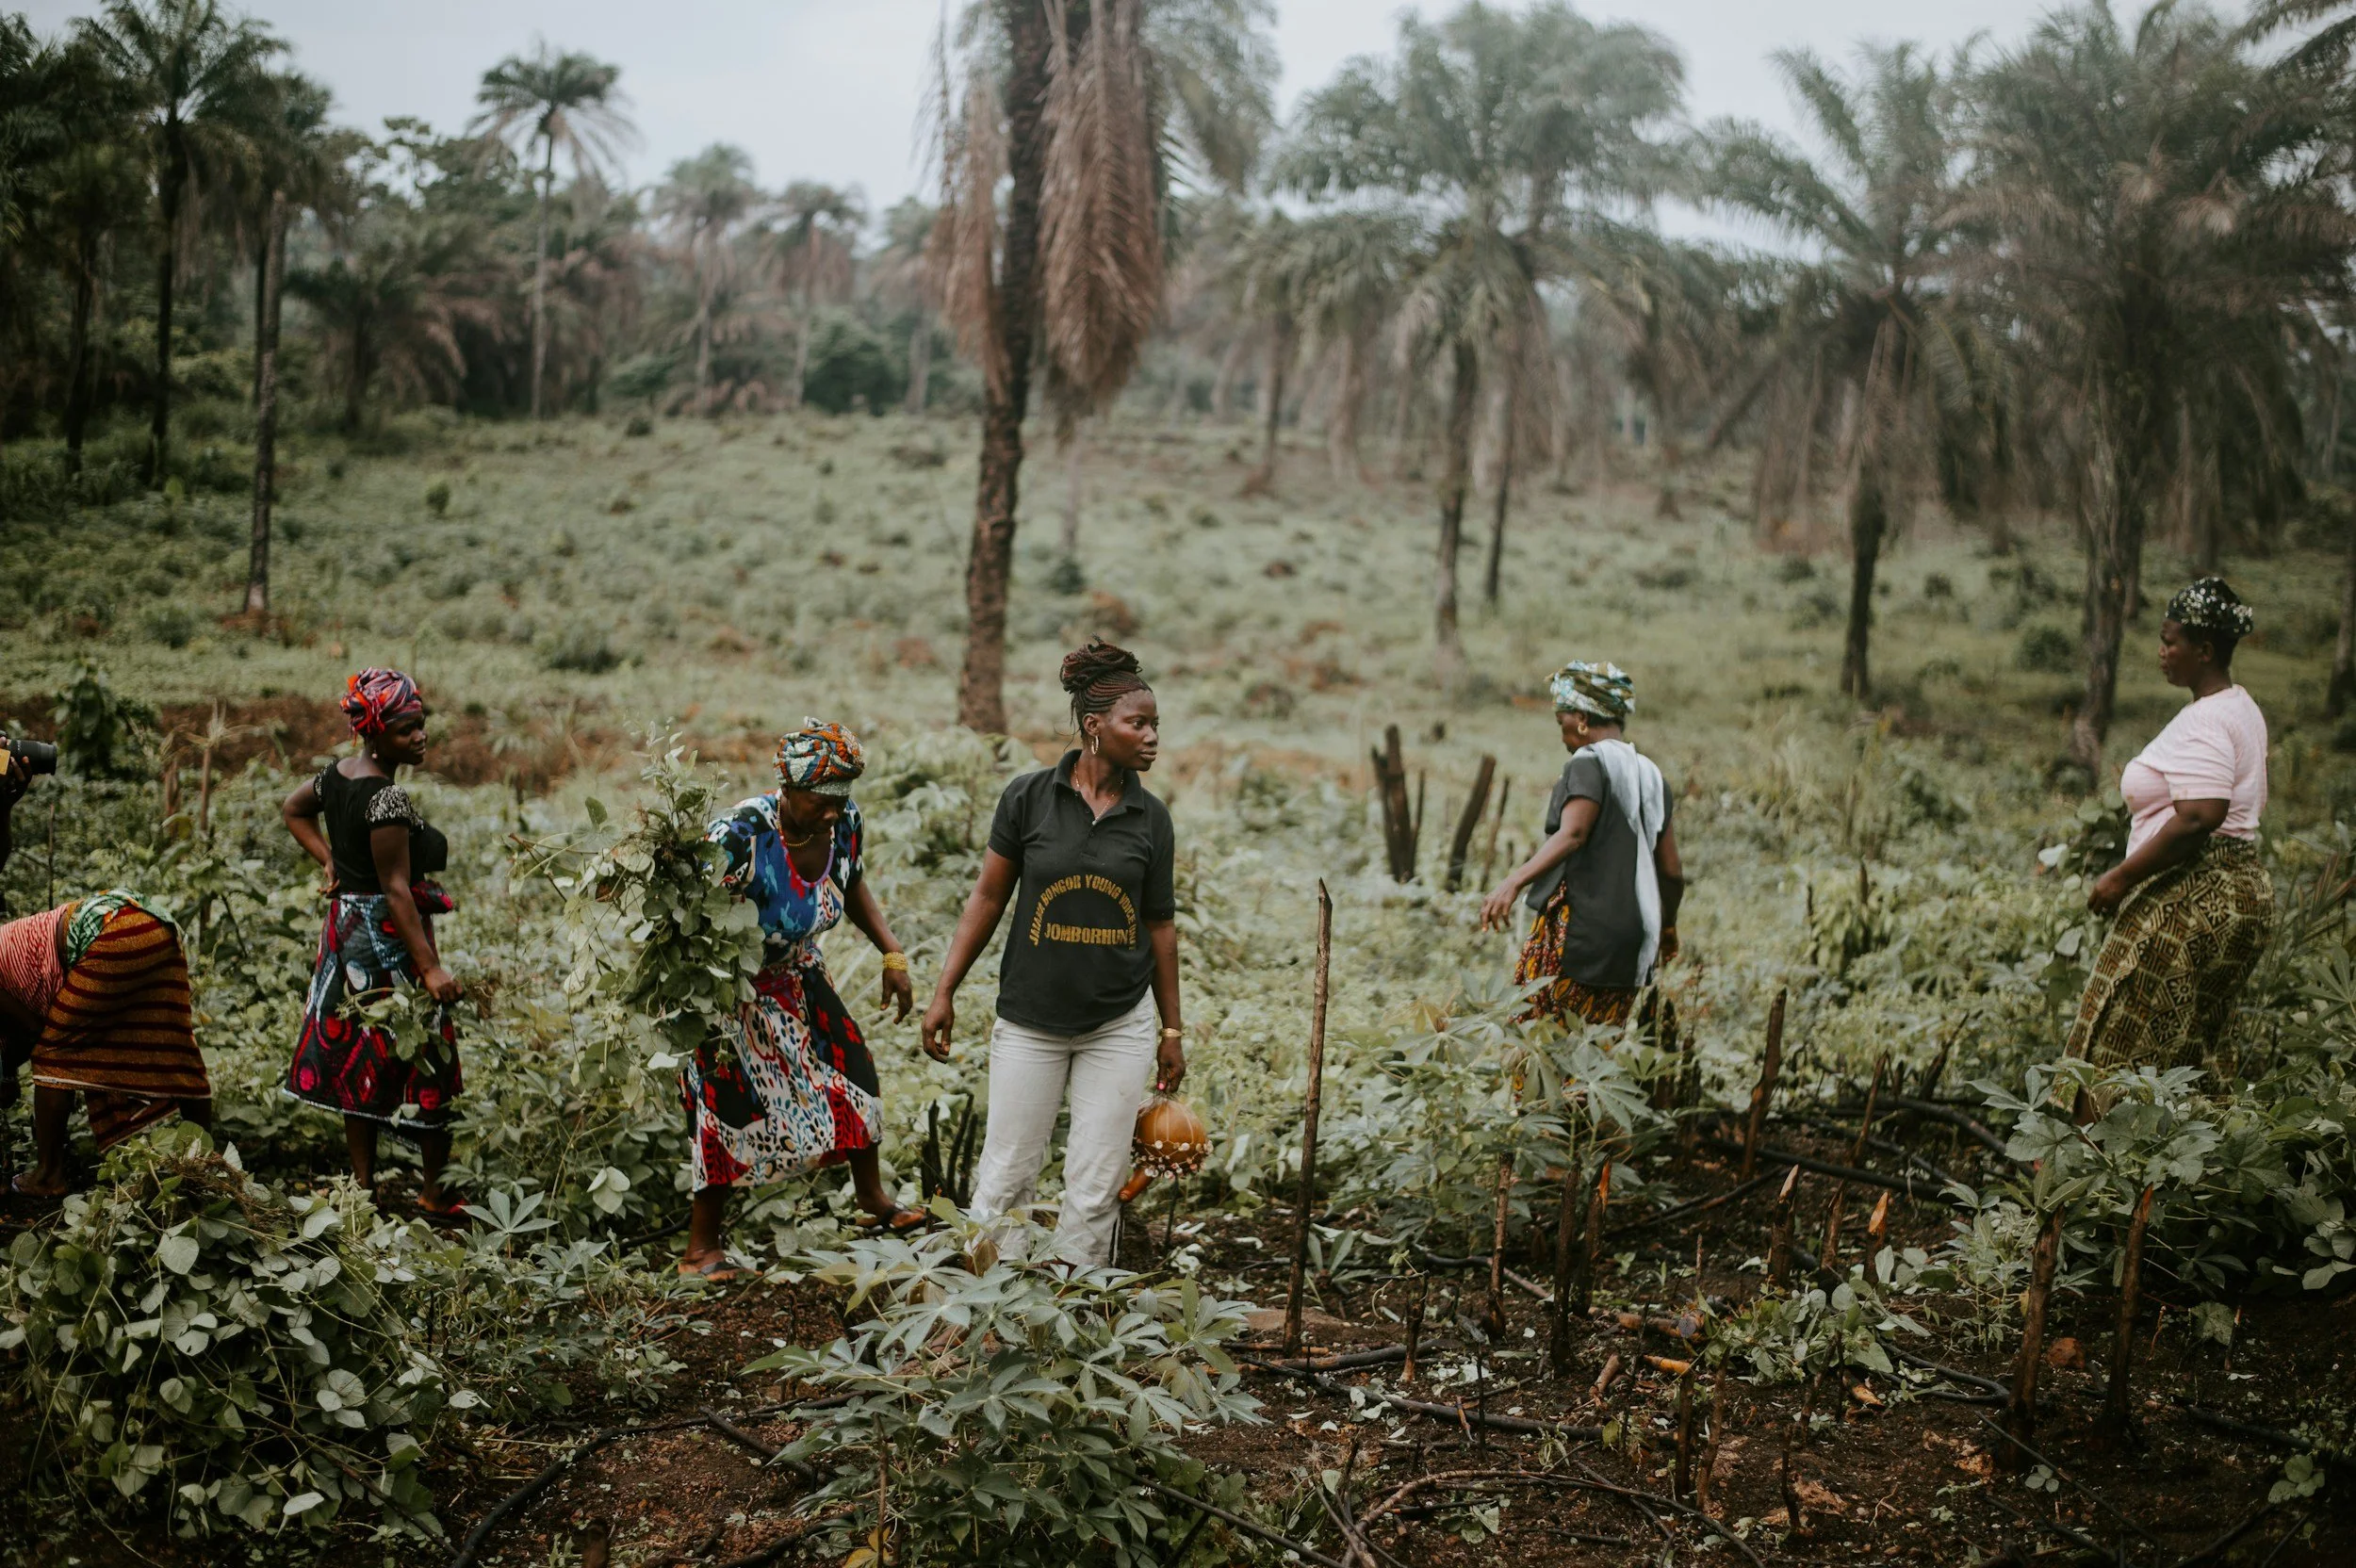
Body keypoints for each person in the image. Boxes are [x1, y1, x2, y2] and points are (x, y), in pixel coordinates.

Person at [921, 640, 1184, 1266]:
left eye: (1155, 725)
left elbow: (1160, 926)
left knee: (1094, 1188)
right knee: (1005, 1178)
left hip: (1118, 1027)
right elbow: (986, 897)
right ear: (1094, 727)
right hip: (1029, 1024)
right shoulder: (1028, 798)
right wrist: (944, 990)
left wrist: (1172, 1029)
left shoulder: (1152, 818)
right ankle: (994, 1312)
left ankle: (1074, 1309)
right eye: (1137, 723)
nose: (1152, 737)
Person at [679, 719, 918, 1280]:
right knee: (724, 1104)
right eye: (822, 799)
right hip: (728, 985)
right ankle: (700, 1248)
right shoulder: (739, 834)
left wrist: (892, 953)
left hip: (799, 973)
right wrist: (705, 1005)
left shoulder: (845, 822)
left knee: (853, 1068)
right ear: (787, 787)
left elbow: (850, 880)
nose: (834, 810)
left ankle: (872, 1200)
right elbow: (689, 919)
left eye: (842, 797)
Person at [2069, 579, 2273, 1070]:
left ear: (2204, 651)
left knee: (2114, 1041)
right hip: (2240, 891)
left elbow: (2201, 817)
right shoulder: (2241, 707)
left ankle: (2085, 1144)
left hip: (2193, 895)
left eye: (2170, 641)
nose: (2162, 652)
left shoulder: (2207, 719)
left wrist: (2121, 877)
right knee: (2190, 1050)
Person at [281, 669, 466, 1213]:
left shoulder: (335, 777)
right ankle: (435, 1191)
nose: (420, 737)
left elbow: (294, 810)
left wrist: (332, 857)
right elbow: (396, 890)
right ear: (377, 732)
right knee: (427, 1051)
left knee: (357, 1050)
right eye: (408, 729)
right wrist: (429, 968)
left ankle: (363, 1186)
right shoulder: (384, 799)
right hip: (384, 943)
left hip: (343, 937)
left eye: (422, 725)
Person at [0, 750, 213, 1195]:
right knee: (170, 1042)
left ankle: (49, 1176)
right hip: (148, 922)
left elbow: (34, 1031)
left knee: (55, 1053)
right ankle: (208, 1158)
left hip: (114, 932)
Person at [1481, 661, 1684, 1027]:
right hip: (1635, 942)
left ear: (1581, 718)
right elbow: (1670, 872)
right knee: (1597, 1052)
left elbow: (1573, 834)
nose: (1562, 737)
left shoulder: (1588, 763)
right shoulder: (1654, 777)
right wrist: (1667, 931)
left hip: (1580, 935)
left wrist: (1512, 882)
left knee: (1536, 1043)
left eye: (1562, 724)